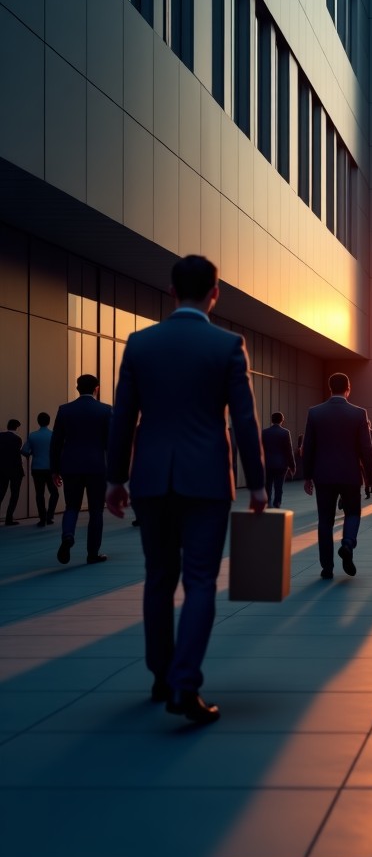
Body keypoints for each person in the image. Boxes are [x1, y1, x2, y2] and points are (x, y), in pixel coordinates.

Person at [105, 255, 267, 725]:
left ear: (171, 292)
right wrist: (257, 484)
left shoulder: (140, 344)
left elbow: (123, 417)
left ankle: (160, 675)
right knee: (200, 582)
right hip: (207, 481)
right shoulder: (227, 345)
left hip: (152, 478)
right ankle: (184, 683)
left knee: (158, 578)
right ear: (215, 293)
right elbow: (244, 418)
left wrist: (116, 477)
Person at [303, 373, 372, 579]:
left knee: (325, 521)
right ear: (348, 388)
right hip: (350, 474)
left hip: (323, 475)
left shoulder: (315, 413)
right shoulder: (358, 413)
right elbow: (366, 448)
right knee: (353, 513)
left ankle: (327, 567)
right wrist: (370, 475)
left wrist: (307, 476)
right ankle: (347, 544)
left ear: (329, 387)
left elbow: (308, 447)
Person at [52, 374, 112, 565]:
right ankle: (92, 553)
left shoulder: (65, 410)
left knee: (71, 507)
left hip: (71, 466)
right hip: (96, 466)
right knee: (96, 511)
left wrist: (55, 469)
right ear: (97, 388)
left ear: (77, 388)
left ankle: (68, 535)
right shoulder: (105, 410)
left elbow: (56, 442)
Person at [21, 412, 58, 527]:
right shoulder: (53, 435)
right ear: (48, 421)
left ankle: (42, 518)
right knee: (54, 493)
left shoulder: (33, 436)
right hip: (50, 468)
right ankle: (50, 515)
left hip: (37, 468)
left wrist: (32, 453)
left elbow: (24, 451)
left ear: (38, 421)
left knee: (39, 494)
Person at [261, 412, 296, 509]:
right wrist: (292, 466)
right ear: (282, 420)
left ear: (272, 420)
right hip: (281, 465)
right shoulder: (285, 432)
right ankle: (277, 503)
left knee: (267, 485)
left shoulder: (264, 432)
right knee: (278, 486)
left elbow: (260, 449)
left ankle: (267, 502)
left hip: (268, 464)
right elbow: (289, 451)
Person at [0, 418, 25, 526]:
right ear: (17, 427)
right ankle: (8, 518)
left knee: (0, 493)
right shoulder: (17, 439)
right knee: (14, 494)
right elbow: (17, 456)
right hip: (15, 470)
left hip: (1, 469)